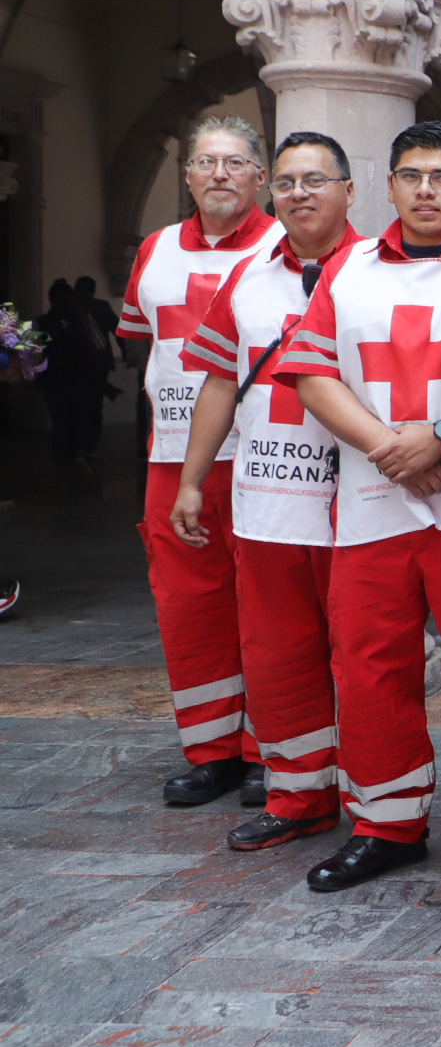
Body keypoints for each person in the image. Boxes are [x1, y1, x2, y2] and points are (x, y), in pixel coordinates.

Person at [278, 120, 441, 893]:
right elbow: (312, 373)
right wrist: (393, 448)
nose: (425, 189)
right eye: (411, 175)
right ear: (388, 186)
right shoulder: (348, 267)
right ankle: (386, 821)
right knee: (369, 666)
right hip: (374, 500)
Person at [173, 132, 362, 852]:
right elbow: (221, 379)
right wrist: (193, 479)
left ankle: (381, 806)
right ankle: (299, 792)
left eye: (317, 179)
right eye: (285, 181)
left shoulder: (378, 271)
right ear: (270, 190)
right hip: (266, 499)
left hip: (359, 505)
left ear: (349, 190)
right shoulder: (249, 275)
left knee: (365, 659)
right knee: (277, 653)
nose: (299, 193)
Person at [118, 115, 282, 807]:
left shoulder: (282, 246)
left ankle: (272, 746)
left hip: (263, 454)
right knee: (188, 605)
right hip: (174, 458)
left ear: (260, 177)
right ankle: (211, 748)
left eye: (236, 162)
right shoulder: (153, 249)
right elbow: (138, 340)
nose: (220, 173)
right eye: (207, 161)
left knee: (271, 606)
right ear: (186, 175)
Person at [34, 279, 108, 488]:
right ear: (71, 298)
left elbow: (33, 355)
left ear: (50, 299)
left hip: (53, 380)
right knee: (83, 418)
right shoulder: (83, 318)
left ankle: (62, 463)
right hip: (83, 378)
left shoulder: (40, 322)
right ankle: (81, 455)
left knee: (59, 422)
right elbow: (99, 344)